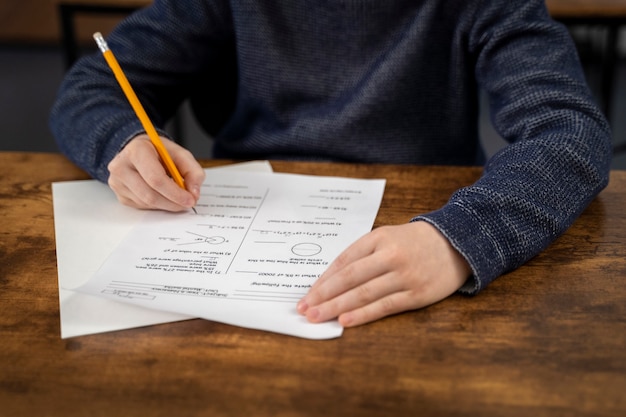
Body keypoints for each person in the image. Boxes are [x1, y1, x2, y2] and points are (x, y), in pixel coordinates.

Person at [50, 0, 612, 328]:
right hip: (233, 239)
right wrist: (120, 143)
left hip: (421, 241)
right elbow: (94, 85)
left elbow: (570, 131)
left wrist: (457, 239)